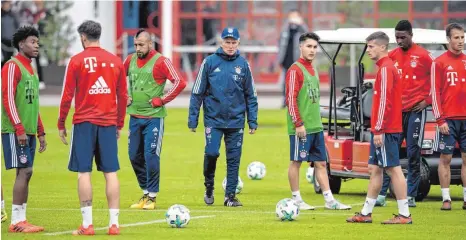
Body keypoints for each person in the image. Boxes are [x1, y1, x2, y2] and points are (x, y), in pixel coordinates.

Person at [58, 20, 127, 235]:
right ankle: (114, 224)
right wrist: (120, 123)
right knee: (111, 173)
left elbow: (67, 95)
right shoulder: (115, 61)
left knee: (84, 173)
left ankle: (87, 225)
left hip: (84, 123)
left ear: (83, 37)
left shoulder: (76, 61)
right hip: (108, 122)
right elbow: (123, 96)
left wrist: (61, 123)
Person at [188, 27, 258, 207]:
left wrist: (252, 120)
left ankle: (230, 196)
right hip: (213, 120)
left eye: (234, 42)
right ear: (221, 42)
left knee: (234, 159)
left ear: (238, 43)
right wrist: (193, 119)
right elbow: (197, 92)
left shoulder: (243, 65)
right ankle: (209, 186)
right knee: (212, 153)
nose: (230, 46)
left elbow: (251, 94)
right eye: (227, 42)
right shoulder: (209, 62)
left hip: (236, 121)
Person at [347, 31, 412, 224]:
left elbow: (384, 101)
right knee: (374, 169)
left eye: (371, 46)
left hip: (386, 130)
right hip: (385, 128)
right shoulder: (385, 67)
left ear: (383, 47)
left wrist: (379, 129)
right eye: (367, 46)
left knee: (394, 169)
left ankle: (405, 215)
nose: (368, 50)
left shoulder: (385, 69)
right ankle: (366, 213)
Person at [285, 32, 351, 211]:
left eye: (315, 47)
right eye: (309, 46)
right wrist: (298, 123)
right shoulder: (295, 70)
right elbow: (291, 99)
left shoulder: (313, 69)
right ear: (300, 47)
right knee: (296, 162)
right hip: (302, 128)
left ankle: (330, 200)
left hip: (315, 127)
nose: (312, 50)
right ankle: (296, 199)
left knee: (321, 163)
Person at [125, 29, 186, 210]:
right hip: (135, 117)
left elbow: (179, 82)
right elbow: (117, 78)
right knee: (134, 156)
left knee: (151, 156)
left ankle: (152, 196)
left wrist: (162, 100)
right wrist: (123, 94)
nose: (137, 48)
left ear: (150, 44)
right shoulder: (129, 60)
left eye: (141, 44)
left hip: (154, 118)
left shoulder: (161, 61)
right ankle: (145, 193)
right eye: (135, 44)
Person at [375, 20, 434, 208]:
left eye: (403, 37)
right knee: (390, 152)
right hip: (396, 113)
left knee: (413, 152)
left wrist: (427, 101)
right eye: (397, 37)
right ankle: (382, 194)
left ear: (411, 35)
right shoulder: (391, 56)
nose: (399, 41)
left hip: (416, 111)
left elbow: (437, 82)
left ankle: (411, 194)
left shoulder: (424, 56)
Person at [1, 25, 46, 232]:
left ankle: (21, 219)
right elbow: (8, 98)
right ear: (21, 44)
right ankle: (16, 222)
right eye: (32, 42)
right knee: (25, 171)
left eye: (37, 42)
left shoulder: (32, 69)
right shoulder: (12, 66)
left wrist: (40, 131)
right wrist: (18, 128)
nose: (36, 46)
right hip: (14, 129)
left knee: (26, 172)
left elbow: (33, 103)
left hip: (28, 131)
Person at [431, 23, 466, 211]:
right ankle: (446, 199)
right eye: (457, 38)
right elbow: (435, 93)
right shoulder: (439, 63)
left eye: (462, 37)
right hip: (448, 120)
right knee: (445, 159)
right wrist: (440, 119)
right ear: (448, 39)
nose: (460, 41)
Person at [278, 9, 308, 107]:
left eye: (295, 16)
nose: (293, 19)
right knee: (285, 81)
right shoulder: (286, 28)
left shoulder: (301, 29)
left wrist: (300, 24)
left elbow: (308, 36)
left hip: (297, 59)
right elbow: (280, 41)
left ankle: (296, 101)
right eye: (292, 16)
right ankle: (285, 100)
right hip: (286, 59)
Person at [1, 0, 19, 67]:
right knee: (4, 59)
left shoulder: (13, 15)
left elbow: (17, 27)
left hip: (11, 41)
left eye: (7, 4)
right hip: (2, 42)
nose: (6, 5)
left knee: (11, 59)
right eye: (4, 4)